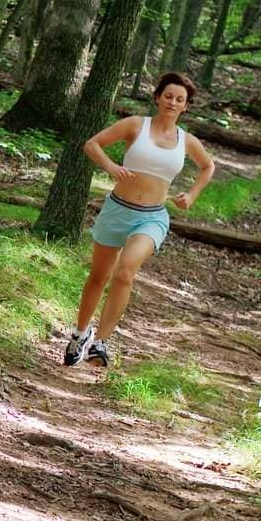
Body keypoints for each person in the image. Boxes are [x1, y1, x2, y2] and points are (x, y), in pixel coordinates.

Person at [63, 71, 215, 368]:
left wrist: (192, 195)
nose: (173, 102)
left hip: (152, 217)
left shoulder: (187, 141)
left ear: (186, 106)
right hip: (117, 210)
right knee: (98, 277)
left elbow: (208, 167)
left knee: (125, 272)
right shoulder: (136, 125)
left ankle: (101, 343)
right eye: (168, 96)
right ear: (157, 97)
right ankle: (81, 334)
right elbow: (92, 144)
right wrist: (111, 167)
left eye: (180, 99)